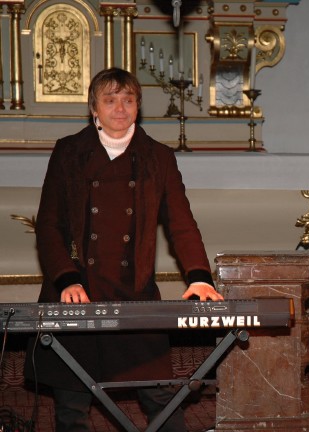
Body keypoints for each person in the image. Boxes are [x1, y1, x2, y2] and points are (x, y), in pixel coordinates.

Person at [25, 67, 223, 431]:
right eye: (110, 100)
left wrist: (199, 277)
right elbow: (49, 225)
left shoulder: (158, 156)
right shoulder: (69, 151)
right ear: (94, 108)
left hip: (133, 292)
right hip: (77, 291)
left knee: (162, 400)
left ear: (138, 106)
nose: (120, 108)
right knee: (71, 406)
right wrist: (67, 279)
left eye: (128, 100)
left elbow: (181, 224)